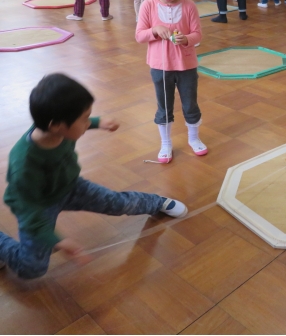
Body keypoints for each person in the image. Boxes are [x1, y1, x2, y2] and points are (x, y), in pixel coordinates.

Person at [0, 73, 187, 279]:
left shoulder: (59, 128)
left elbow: (75, 123)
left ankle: (157, 203)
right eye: (85, 119)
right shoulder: (24, 165)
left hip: (71, 187)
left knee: (118, 203)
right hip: (37, 206)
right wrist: (57, 241)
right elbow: (29, 214)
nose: (88, 122)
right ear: (56, 126)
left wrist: (99, 122)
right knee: (31, 268)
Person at [135, 0, 207, 163]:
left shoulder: (189, 6)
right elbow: (139, 36)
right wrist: (154, 30)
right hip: (160, 67)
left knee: (190, 104)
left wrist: (187, 39)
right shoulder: (148, 6)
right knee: (164, 106)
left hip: (186, 67)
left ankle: (194, 138)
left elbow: (197, 35)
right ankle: (165, 143)